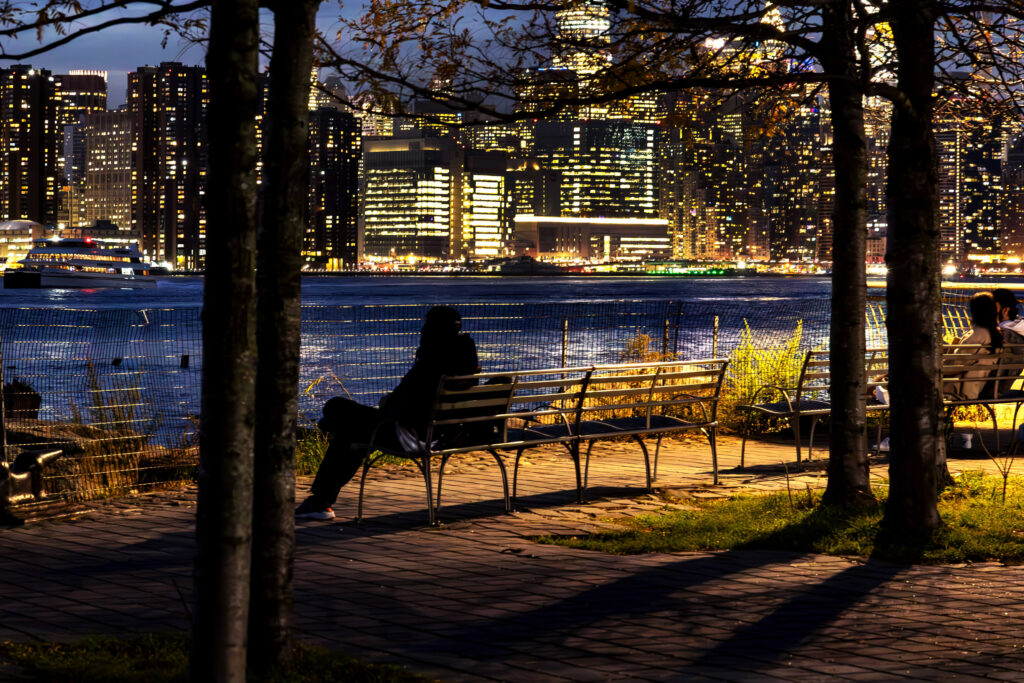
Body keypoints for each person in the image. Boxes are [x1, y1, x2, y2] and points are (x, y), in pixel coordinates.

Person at [296, 306, 481, 520]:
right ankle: (320, 501)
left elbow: (402, 406)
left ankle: (320, 501)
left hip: (410, 435)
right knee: (350, 432)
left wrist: (389, 403)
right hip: (442, 434)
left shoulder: (431, 362)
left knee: (336, 408)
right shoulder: (465, 358)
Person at [949, 291, 1003, 400]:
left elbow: (955, 365)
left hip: (957, 388)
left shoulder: (977, 335)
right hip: (977, 386)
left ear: (974, 312)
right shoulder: (997, 334)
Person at [993, 288, 1024, 396]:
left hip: (987, 387)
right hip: (1003, 387)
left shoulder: (1002, 333)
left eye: (993, 308)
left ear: (1005, 310)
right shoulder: (1019, 329)